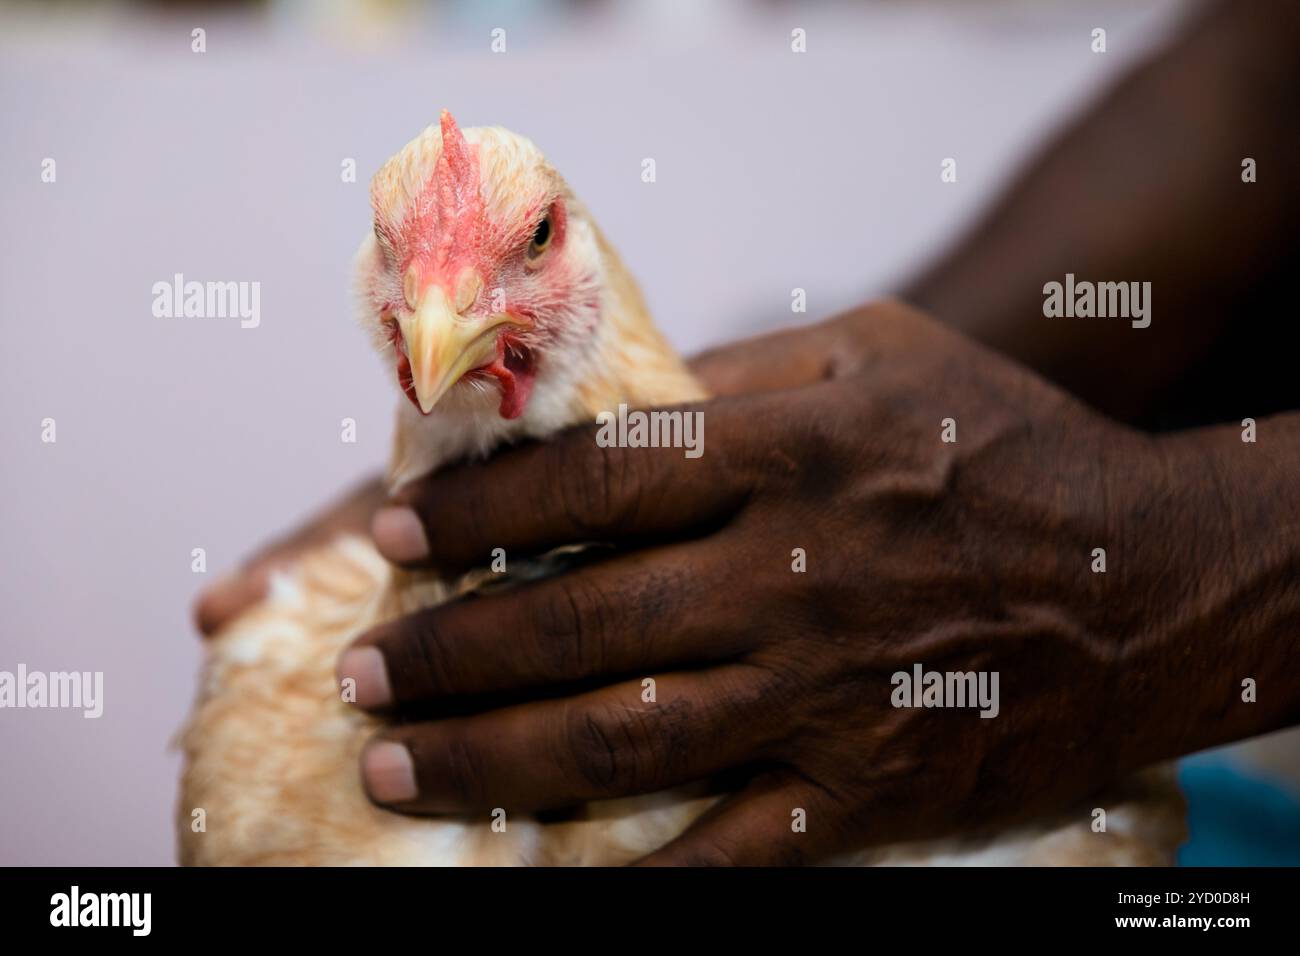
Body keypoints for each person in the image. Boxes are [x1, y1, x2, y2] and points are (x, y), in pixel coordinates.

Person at [194, 0, 1300, 864]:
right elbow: (1270, 69)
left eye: (528, 244)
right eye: (404, 264)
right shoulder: (282, 699)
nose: (443, 306)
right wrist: (864, 422)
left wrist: (1153, 556)